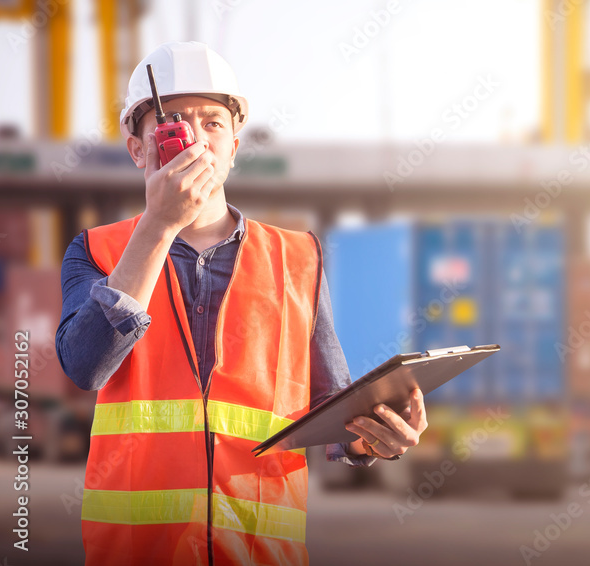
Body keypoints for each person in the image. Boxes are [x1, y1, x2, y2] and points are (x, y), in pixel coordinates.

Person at [56, 41, 427, 566]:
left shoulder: (299, 256)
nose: (196, 138)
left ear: (234, 144)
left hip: (261, 550)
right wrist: (159, 225)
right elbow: (85, 366)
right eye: (174, 122)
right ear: (138, 149)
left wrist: (374, 436)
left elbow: (332, 407)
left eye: (212, 122)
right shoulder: (96, 250)